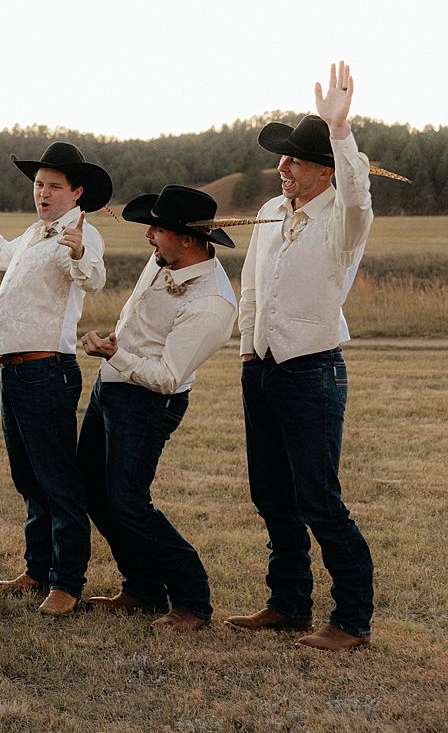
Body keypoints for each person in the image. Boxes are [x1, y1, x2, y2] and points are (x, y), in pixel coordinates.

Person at [227, 62, 376, 652]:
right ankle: (287, 606)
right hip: (260, 370)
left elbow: (359, 198)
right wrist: (245, 355)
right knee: (272, 495)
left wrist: (341, 131)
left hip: (313, 371)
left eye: (294, 159)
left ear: (324, 171)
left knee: (318, 498)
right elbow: (254, 288)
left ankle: (351, 623)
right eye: (281, 159)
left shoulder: (344, 219)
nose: (282, 166)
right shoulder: (269, 210)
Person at [77, 187, 237, 632]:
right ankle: (143, 589)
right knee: (94, 493)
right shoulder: (167, 257)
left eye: (158, 229)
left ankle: (192, 601)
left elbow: (168, 376)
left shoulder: (211, 304)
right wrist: (115, 349)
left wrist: (115, 356)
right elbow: (142, 321)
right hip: (111, 386)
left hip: (149, 403)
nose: (149, 236)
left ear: (188, 239)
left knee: (129, 503)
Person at [0, 140, 110, 616]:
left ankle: (67, 582)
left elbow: (94, 278)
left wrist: (79, 253)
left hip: (47, 370)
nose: (44, 193)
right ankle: (37, 569)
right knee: (27, 478)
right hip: (14, 371)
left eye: (54, 186)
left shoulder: (81, 234)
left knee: (57, 480)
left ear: (77, 192)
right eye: (38, 185)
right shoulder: (36, 233)